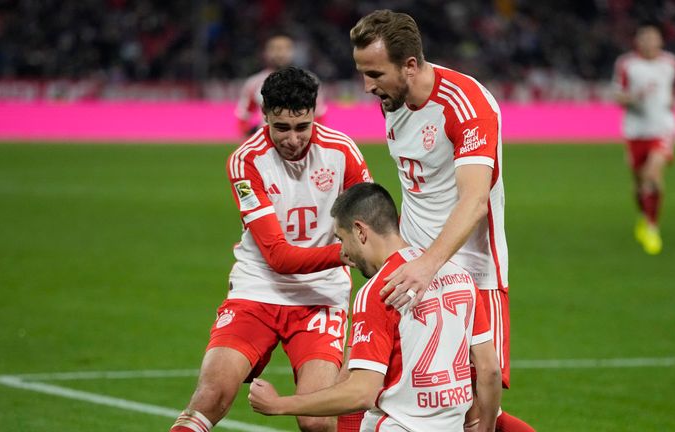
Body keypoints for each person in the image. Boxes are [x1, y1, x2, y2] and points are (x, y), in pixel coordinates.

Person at [347, 9, 535, 431]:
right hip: (413, 268)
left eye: (375, 73)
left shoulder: (466, 105)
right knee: (377, 390)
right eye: (362, 72)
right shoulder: (391, 101)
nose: (367, 85)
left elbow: (474, 201)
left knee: (473, 412)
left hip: (469, 274)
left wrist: (426, 266)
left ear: (410, 65)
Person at [170, 66, 371, 432]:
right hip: (257, 289)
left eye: (302, 127)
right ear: (265, 118)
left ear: (315, 116)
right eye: (281, 128)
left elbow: (369, 222)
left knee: (316, 420)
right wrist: (346, 255)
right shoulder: (246, 161)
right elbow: (278, 258)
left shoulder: (342, 152)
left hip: (320, 296)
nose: (293, 139)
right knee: (210, 398)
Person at [248, 182, 503, 432]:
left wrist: (279, 404)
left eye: (341, 238)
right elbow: (489, 370)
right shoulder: (459, 277)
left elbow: (362, 392)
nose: (344, 252)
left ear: (360, 231)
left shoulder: (379, 290)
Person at [613, 23, 675, 255]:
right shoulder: (627, 65)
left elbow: (669, 90)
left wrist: (672, 101)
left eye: (654, 38)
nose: (650, 42)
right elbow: (618, 96)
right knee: (639, 184)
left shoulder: (671, 63)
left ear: (661, 41)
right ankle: (644, 215)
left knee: (653, 174)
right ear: (637, 42)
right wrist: (632, 98)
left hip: (662, 128)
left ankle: (652, 227)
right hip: (635, 130)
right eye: (645, 38)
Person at [235, 33, 327, 138]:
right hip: (268, 143)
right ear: (266, 53)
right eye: (274, 48)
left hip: (300, 142)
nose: (280, 53)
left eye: (285, 48)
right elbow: (243, 114)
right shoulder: (254, 83)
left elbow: (319, 114)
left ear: (293, 51)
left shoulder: (309, 80)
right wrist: (251, 137)